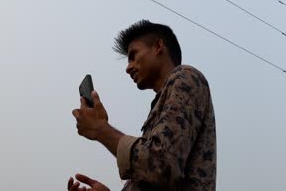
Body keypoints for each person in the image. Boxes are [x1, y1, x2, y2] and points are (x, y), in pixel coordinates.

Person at [69, 20, 217, 191]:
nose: (128, 67)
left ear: (158, 46)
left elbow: (160, 164)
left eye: (133, 55)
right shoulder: (161, 104)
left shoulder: (186, 76)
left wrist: (101, 129)